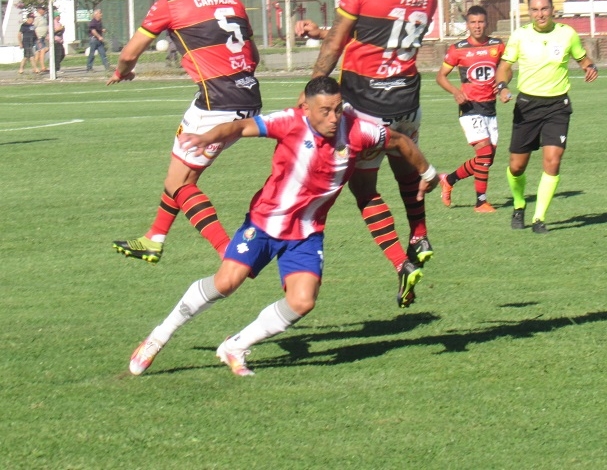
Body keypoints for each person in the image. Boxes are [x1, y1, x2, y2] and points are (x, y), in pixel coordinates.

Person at [128, 76, 438, 377]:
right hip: (264, 224)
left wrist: (428, 172)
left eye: (338, 108)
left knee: (303, 301)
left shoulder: (358, 130)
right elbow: (241, 126)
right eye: (325, 111)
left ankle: (236, 346)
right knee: (226, 283)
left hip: (307, 234)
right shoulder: (289, 122)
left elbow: (399, 140)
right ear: (307, 109)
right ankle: (158, 337)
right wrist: (208, 136)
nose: (333, 118)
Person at [295, 0, 437, 307]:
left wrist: (313, 88)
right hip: (406, 100)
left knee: (365, 190)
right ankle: (419, 234)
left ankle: (399, 264)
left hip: (366, 105)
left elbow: (338, 41)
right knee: (407, 170)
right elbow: (381, 30)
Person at [109, 0, 262, 264]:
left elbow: (128, 53)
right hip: (249, 95)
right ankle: (154, 239)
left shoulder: (170, 3)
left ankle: (228, 254)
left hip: (217, 101)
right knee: (183, 177)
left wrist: (124, 72)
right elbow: (254, 56)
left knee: (177, 183)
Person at [495, 0, 598, 233]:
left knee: (553, 161)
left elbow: (582, 59)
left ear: (552, 10)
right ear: (529, 12)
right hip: (527, 106)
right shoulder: (520, 36)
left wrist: (590, 67)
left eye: (544, 9)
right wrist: (502, 85)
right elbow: (505, 66)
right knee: (517, 166)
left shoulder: (567, 34)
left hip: (557, 107)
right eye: (535, 10)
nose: (540, 14)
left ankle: (539, 218)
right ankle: (519, 205)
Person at [435, 5, 505, 213]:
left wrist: (502, 86)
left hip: (490, 108)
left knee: (487, 159)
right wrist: (456, 92)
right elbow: (441, 76)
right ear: (467, 25)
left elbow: (504, 69)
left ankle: (448, 180)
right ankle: (481, 202)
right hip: (469, 108)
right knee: (484, 152)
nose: (477, 26)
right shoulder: (458, 49)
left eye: (481, 22)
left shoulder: (497, 45)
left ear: (487, 23)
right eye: (473, 22)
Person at [33, 5, 48, 73]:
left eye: (44, 9)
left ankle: (34, 67)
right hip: (38, 37)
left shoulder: (43, 17)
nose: (44, 10)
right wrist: (37, 37)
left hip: (43, 37)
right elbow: (34, 27)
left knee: (38, 53)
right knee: (42, 50)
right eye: (42, 9)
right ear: (39, 10)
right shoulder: (36, 17)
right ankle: (42, 67)